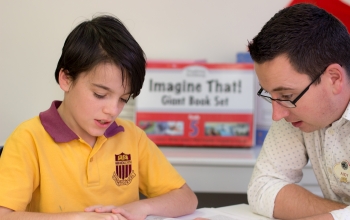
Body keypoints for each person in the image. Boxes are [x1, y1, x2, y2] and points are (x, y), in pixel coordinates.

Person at [0, 14, 198, 220]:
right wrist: (77, 218)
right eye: (100, 95)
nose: (113, 110)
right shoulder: (28, 139)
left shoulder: (132, 137)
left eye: (123, 99)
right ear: (66, 79)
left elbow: (186, 198)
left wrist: (141, 208)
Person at [247, 3, 350, 220]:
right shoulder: (295, 113)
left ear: (334, 78)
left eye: (286, 95)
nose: (277, 115)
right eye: (270, 95)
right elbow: (262, 187)